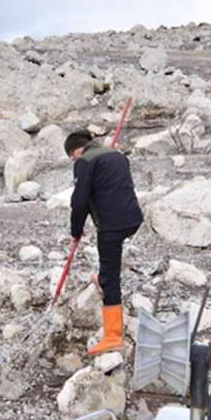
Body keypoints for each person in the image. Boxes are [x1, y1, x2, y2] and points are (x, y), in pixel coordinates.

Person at [65, 129, 144, 356]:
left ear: (78, 150)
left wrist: (76, 230)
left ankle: (112, 337)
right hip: (132, 219)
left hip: (112, 225)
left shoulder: (86, 161)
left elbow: (79, 201)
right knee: (110, 260)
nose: (73, 160)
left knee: (111, 278)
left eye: (71, 155)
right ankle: (102, 277)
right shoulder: (115, 154)